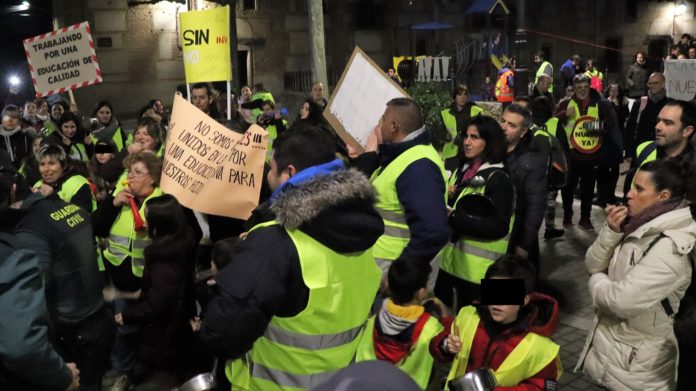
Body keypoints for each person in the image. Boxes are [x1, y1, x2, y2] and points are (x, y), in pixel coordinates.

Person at [198, 127, 383, 390]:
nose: (268, 175)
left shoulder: (274, 242)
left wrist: (227, 280)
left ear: (290, 173)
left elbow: (222, 333)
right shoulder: (361, 235)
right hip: (336, 381)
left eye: (272, 168)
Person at [576, 158, 696, 390]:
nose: (628, 194)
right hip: (616, 353)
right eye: (631, 186)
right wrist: (611, 231)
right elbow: (592, 263)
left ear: (663, 196)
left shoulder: (671, 246)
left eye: (638, 189)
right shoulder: (637, 225)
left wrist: (597, 279)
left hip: (638, 369)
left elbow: (620, 301)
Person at [351, 97, 449, 282]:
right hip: (389, 274)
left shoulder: (419, 166)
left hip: (400, 282)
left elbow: (433, 232)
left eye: (382, 120)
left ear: (394, 126)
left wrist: (399, 276)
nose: (378, 125)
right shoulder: (403, 156)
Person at [91, 151, 164, 390]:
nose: (130, 177)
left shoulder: (163, 202)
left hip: (150, 283)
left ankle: (146, 369)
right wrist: (112, 204)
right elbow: (97, 228)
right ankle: (124, 371)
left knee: (150, 329)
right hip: (121, 282)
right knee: (124, 329)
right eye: (129, 172)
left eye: (137, 173)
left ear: (152, 178)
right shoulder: (119, 198)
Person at [438, 255, 561, 389]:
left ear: (524, 299)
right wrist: (445, 346)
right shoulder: (468, 315)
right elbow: (438, 343)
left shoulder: (541, 347)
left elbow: (541, 387)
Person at [115, 194, 197, 388]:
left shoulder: (164, 262)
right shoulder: (183, 242)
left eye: (147, 218)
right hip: (175, 327)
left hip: (163, 336)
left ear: (160, 224)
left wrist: (126, 315)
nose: (143, 223)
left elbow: (158, 305)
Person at [434, 115, 515, 307]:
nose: (467, 142)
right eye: (466, 136)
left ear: (490, 142)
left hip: (484, 276)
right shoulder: (461, 170)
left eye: (474, 137)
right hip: (450, 268)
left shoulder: (499, 178)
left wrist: (453, 217)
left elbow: (499, 227)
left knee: (488, 332)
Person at [355, 260, 453, 389]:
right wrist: (446, 317)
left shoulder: (374, 320)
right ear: (421, 292)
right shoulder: (431, 327)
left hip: (370, 385)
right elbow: (449, 345)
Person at [555, 74, 620, 231]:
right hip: (570, 155)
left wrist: (592, 128)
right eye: (578, 88)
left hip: (591, 156)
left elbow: (610, 124)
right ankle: (567, 214)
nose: (582, 90)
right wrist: (564, 115)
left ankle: (585, 218)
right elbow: (553, 122)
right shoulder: (565, 103)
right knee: (568, 187)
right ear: (574, 88)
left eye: (585, 87)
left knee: (588, 189)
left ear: (590, 86)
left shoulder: (600, 104)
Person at [499, 104, 548, 273]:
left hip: (516, 238)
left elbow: (536, 206)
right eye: (503, 121)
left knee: (507, 293)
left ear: (523, 131)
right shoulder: (490, 150)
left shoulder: (533, 160)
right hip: (494, 236)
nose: (504, 127)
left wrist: (524, 245)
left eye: (512, 125)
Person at [32, 143, 95, 212]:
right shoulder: (37, 185)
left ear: (63, 165)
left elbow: (80, 218)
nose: (46, 169)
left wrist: (52, 197)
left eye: (51, 163)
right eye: (42, 164)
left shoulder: (78, 184)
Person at [440, 84, 483, 166]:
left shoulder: (476, 111)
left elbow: (481, 133)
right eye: (459, 94)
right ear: (455, 96)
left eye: (465, 94)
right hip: (451, 156)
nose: (462, 97)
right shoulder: (445, 113)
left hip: (470, 154)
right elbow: (440, 133)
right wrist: (445, 136)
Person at [626, 72, 669, 149]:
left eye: (655, 83)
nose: (652, 86)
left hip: (663, 151)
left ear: (663, 84)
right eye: (650, 83)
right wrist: (629, 152)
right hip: (641, 150)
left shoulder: (670, 105)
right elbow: (630, 128)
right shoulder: (640, 103)